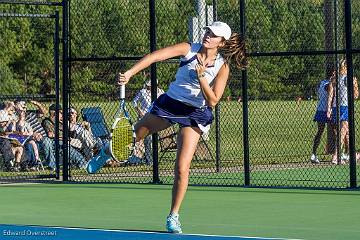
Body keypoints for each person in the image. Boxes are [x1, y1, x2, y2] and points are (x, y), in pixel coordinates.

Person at [116, 21, 247, 233]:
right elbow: (155, 56)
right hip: (171, 102)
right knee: (133, 137)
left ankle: (173, 216)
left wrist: (201, 76)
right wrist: (131, 72)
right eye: (208, 31)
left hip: (195, 113)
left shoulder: (223, 67)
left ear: (221, 43)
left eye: (214, 35)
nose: (208, 36)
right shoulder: (189, 48)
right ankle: (106, 151)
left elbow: (213, 100)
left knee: (181, 168)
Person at [327, 59, 359, 164]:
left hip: (340, 107)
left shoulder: (338, 79)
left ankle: (351, 154)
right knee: (343, 131)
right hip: (343, 107)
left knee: (346, 133)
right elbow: (355, 95)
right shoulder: (337, 79)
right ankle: (336, 156)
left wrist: (329, 108)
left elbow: (355, 95)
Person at [42, 104, 87, 170]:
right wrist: (63, 137)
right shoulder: (47, 122)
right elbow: (50, 135)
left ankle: (82, 162)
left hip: (66, 140)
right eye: (61, 112)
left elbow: (72, 127)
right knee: (64, 144)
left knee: (67, 145)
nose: (62, 114)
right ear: (54, 113)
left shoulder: (61, 122)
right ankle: (82, 162)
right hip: (53, 141)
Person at [131, 78, 164, 164]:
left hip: (156, 117)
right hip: (144, 117)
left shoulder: (160, 92)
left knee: (154, 139)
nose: (149, 87)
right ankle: (149, 160)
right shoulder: (143, 92)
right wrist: (139, 111)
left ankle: (153, 158)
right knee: (147, 139)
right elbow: (134, 102)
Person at [310, 74, 331, 164]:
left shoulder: (321, 82)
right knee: (337, 131)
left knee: (320, 131)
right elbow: (330, 92)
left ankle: (314, 154)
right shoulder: (329, 84)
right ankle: (340, 154)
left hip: (321, 109)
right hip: (327, 110)